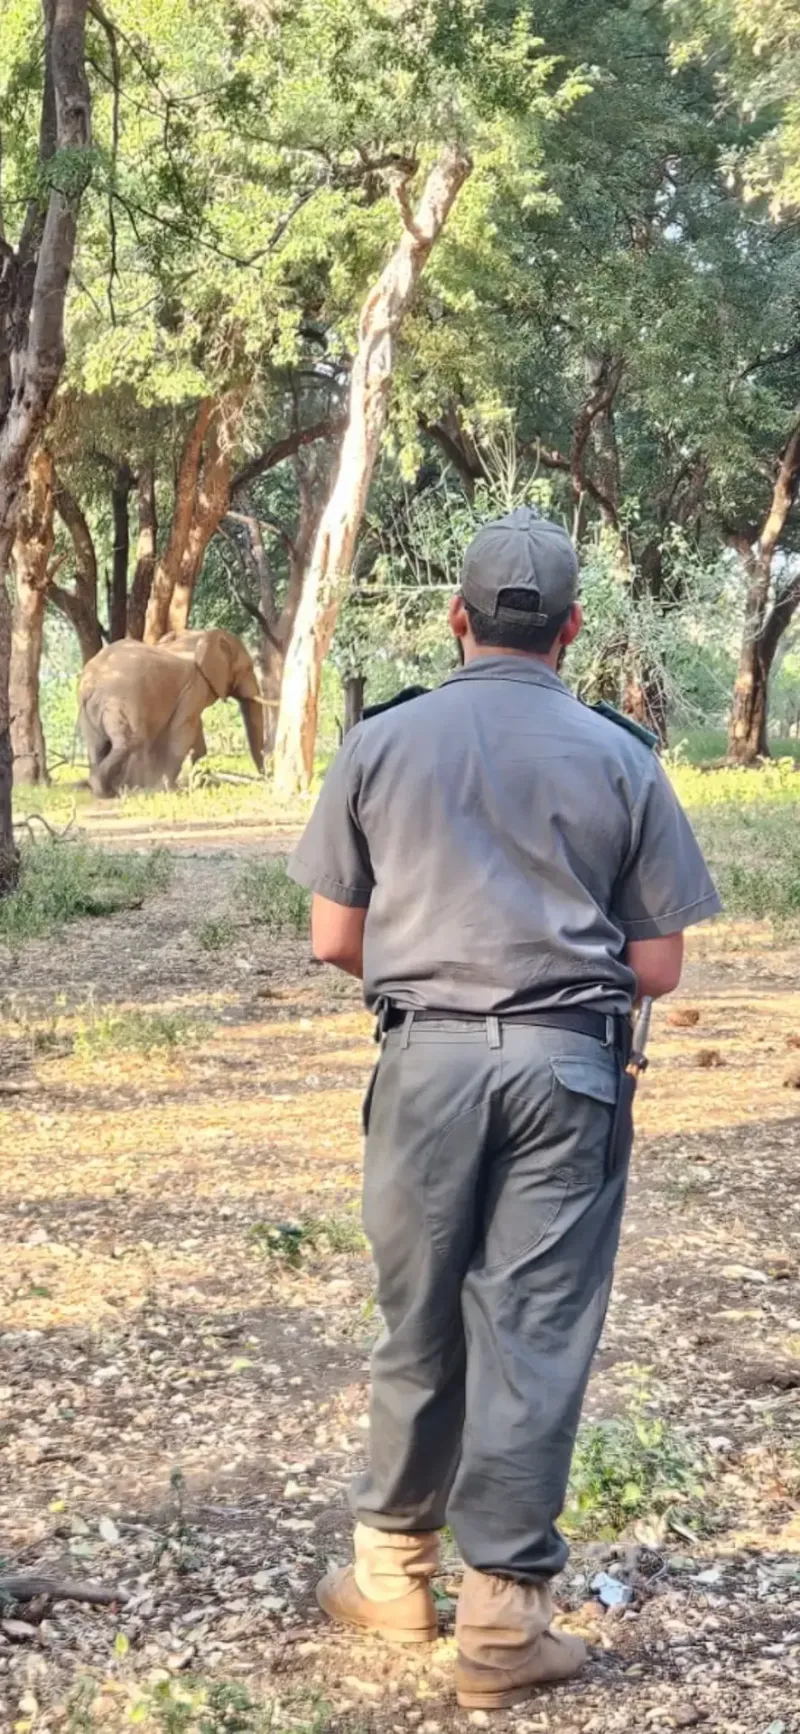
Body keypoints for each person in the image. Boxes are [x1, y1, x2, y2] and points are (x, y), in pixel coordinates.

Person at [287, 507, 720, 1711]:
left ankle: (389, 1574)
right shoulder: (621, 755)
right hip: (567, 1069)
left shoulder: (383, 743)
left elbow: (334, 938)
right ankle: (501, 1624)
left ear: (455, 619)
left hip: (422, 1066)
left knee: (415, 1314)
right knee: (530, 1331)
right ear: (572, 629)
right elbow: (656, 969)